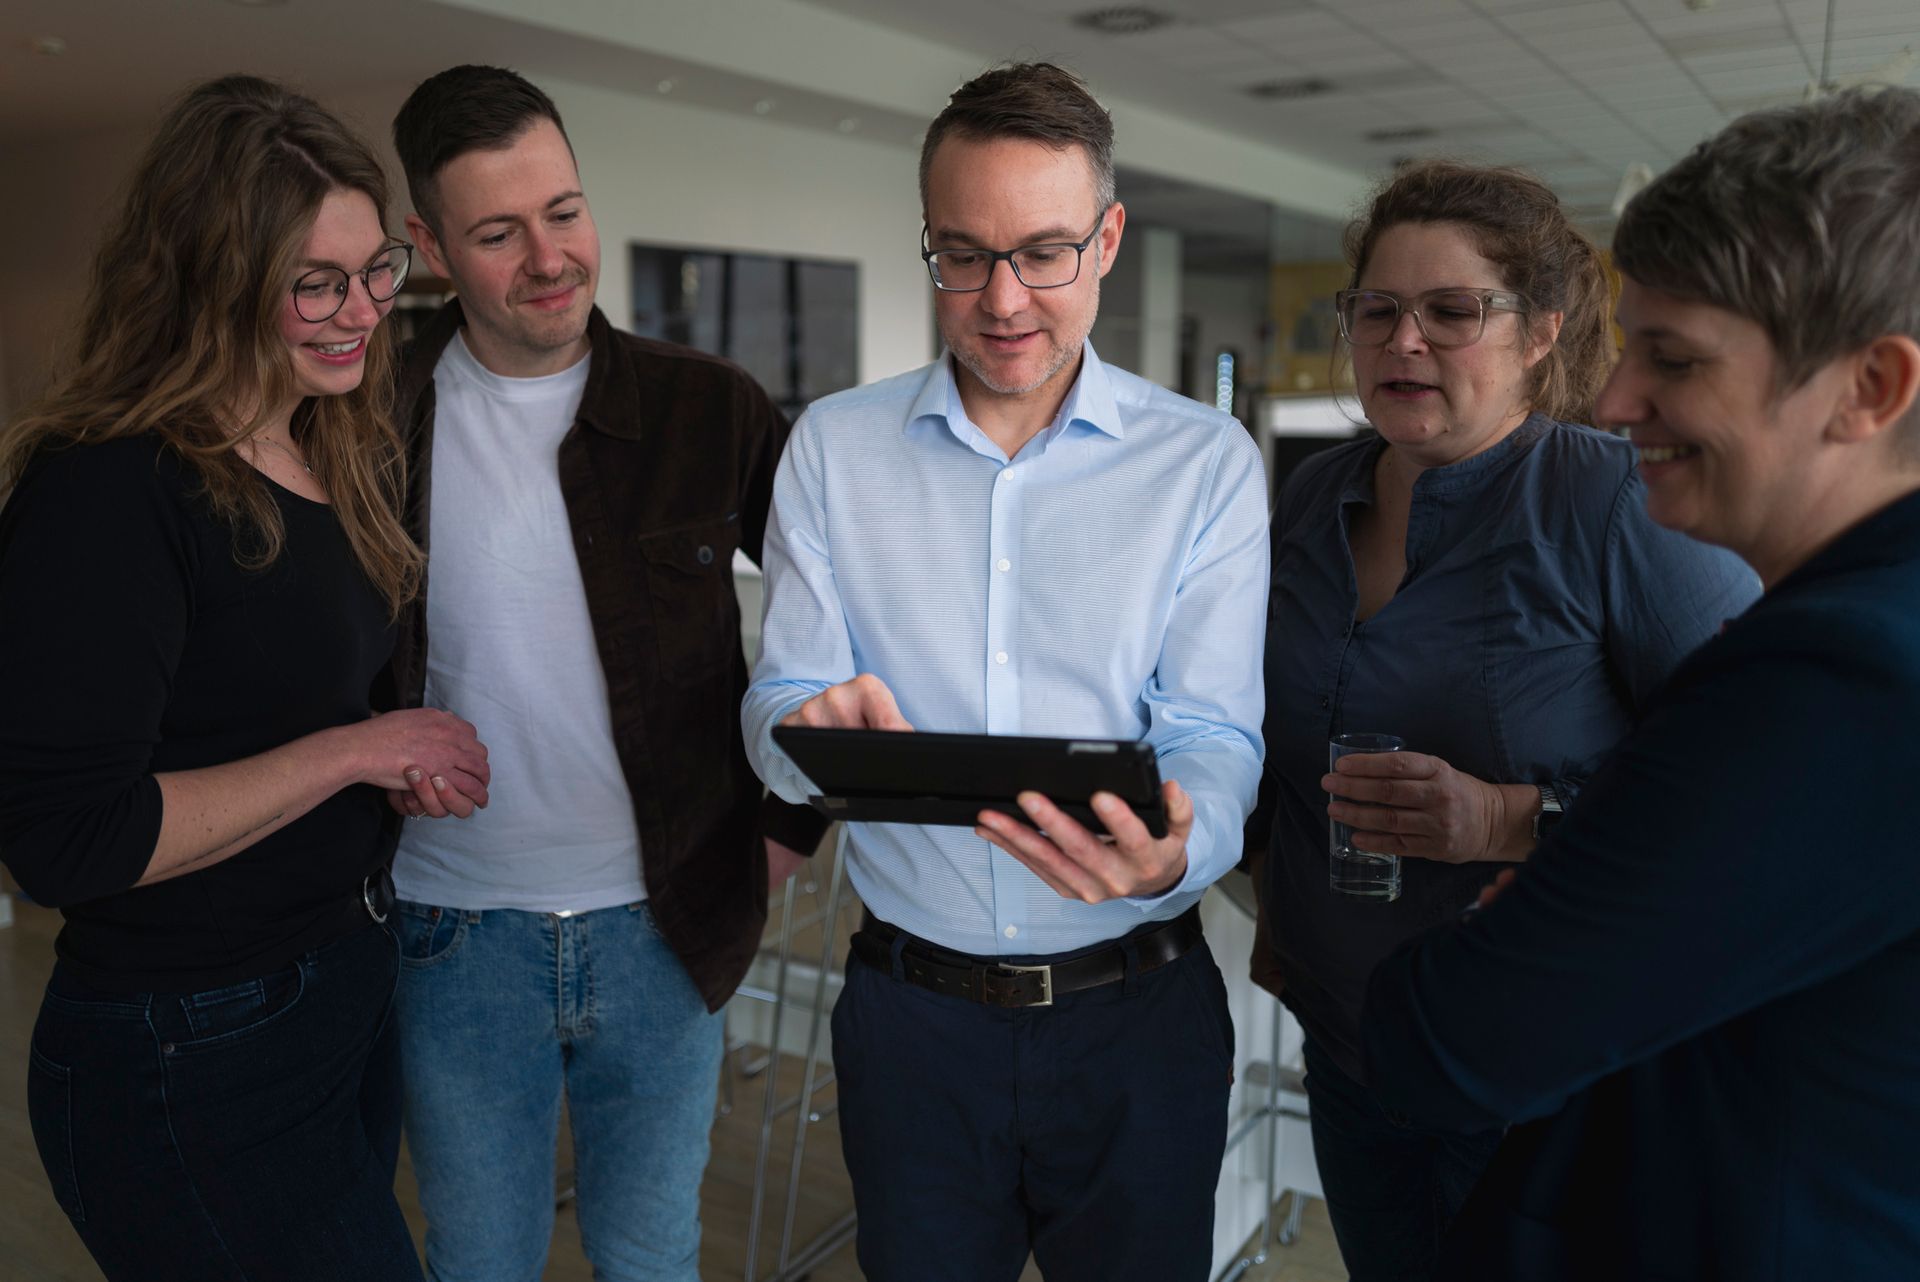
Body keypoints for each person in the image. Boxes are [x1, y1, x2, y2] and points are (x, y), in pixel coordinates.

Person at [1360, 88, 1920, 1281]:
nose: (1617, 404)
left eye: (1674, 360)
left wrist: (1544, 861)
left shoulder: (1835, 677)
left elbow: (1457, 1036)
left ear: (1870, 388)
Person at [742, 62, 1268, 1282]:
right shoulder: (832, 447)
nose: (1003, 299)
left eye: (1044, 252)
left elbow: (1213, 729)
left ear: (1109, 240)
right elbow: (776, 706)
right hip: (912, 1020)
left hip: (1138, 1016)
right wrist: (803, 718)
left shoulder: (1205, 466)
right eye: (963, 255)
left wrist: (1182, 841)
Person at [0, 75, 489, 1281]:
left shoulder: (327, 442)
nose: (360, 310)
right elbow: (67, 841)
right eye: (310, 284)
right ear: (208, 283)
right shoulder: (108, 489)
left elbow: (265, 698)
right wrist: (361, 752)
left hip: (335, 989)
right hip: (186, 1040)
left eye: (374, 268)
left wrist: (384, 767)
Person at [1249, 159, 1758, 1281]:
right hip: (1349, 1041)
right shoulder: (1307, 495)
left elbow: (1747, 782)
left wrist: (1514, 819)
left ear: (1540, 335)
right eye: (1377, 311)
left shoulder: (1608, 496)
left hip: (1539, 1064)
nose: (1404, 342)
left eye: (1452, 311)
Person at [381, 64, 827, 1282]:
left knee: (651, 1257)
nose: (548, 257)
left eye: (564, 212)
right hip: (450, 932)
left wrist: (790, 819)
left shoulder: (707, 408)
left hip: (664, 924)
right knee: (475, 1258)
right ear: (426, 244)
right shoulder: (368, 420)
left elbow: (841, 616)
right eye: (497, 232)